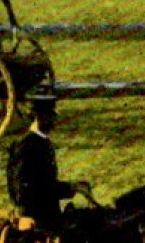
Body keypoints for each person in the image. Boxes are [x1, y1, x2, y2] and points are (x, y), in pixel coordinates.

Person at [5, 89, 89, 230]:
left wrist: (72, 188)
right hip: (37, 221)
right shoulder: (26, 146)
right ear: (38, 117)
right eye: (50, 117)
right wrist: (25, 215)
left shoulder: (43, 142)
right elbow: (21, 186)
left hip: (49, 215)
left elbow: (45, 184)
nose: (53, 121)